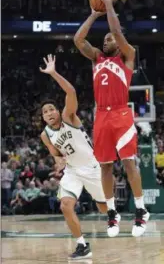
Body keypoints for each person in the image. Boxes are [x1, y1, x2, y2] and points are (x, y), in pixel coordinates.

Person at [74, 0, 149, 237]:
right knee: (105, 167)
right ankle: (112, 213)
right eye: (104, 39)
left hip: (121, 113)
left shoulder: (128, 56)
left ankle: (140, 210)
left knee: (129, 162)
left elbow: (116, 30)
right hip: (101, 117)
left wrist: (108, 5)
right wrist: (94, 14)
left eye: (110, 38)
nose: (107, 40)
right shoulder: (97, 58)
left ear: (119, 42)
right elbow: (78, 40)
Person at [39, 55, 115, 260]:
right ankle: (82, 245)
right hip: (72, 170)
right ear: (43, 117)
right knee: (65, 205)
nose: (49, 113)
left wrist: (53, 73)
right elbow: (55, 155)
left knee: (102, 208)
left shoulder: (68, 117)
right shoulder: (45, 135)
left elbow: (71, 92)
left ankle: (111, 204)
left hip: (91, 167)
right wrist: (59, 161)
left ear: (57, 110)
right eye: (45, 112)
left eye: (51, 109)